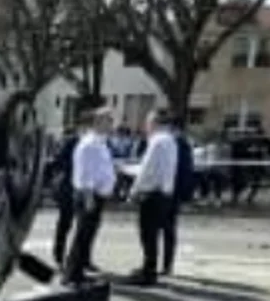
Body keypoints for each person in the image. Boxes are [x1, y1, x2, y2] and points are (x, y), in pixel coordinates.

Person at [64, 108, 116, 287]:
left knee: (87, 235)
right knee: (82, 235)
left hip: (97, 195)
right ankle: (71, 275)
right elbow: (85, 174)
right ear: (98, 122)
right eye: (108, 120)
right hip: (89, 195)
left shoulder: (100, 143)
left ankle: (78, 272)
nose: (111, 124)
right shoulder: (90, 144)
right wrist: (88, 197)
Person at [127, 109, 179, 286]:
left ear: (155, 123)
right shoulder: (170, 141)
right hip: (164, 193)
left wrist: (134, 190)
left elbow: (147, 170)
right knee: (153, 234)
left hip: (152, 194)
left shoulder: (157, 141)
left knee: (147, 234)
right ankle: (149, 268)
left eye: (148, 122)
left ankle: (148, 272)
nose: (146, 126)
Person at [162, 118, 194, 277]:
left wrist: (184, 195)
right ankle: (167, 265)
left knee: (167, 229)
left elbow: (185, 171)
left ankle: (166, 264)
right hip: (172, 191)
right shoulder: (181, 143)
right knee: (168, 229)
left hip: (170, 192)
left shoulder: (179, 144)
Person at [50, 126, 79, 269]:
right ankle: (59, 255)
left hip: (78, 187)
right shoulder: (73, 141)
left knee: (79, 226)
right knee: (65, 223)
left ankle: (78, 258)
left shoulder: (99, 142)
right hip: (69, 187)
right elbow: (59, 161)